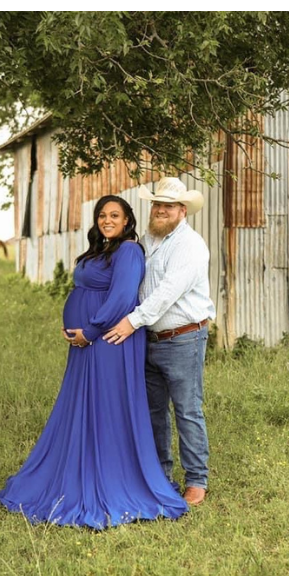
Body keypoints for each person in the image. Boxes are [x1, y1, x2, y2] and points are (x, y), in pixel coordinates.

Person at [0, 195, 189, 529]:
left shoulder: (128, 250)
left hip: (109, 340)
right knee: (86, 405)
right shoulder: (102, 249)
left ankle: (111, 477)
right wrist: (77, 328)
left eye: (115, 215)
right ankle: (81, 466)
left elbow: (123, 297)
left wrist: (91, 329)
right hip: (87, 343)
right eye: (102, 215)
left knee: (106, 407)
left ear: (128, 221)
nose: (107, 220)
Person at [100, 178, 214, 506]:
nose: (161, 210)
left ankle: (196, 480)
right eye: (156, 204)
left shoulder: (190, 245)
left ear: (183, 210)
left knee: (187, 409)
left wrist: (130, 321)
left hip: (183, 338)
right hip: (147, 339)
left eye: (168, 205)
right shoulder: (148, 242)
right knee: (153, 411)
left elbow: (166, 292)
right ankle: (161, 475)